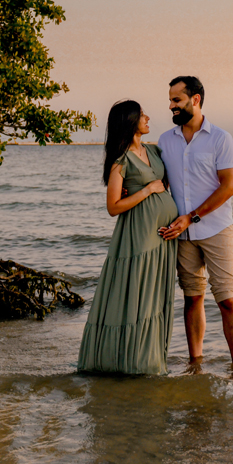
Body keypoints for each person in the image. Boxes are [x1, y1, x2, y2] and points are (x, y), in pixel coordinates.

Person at [78, 100, 179, 375]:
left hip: (163, 239)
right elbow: (113, 207)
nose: (148, 117)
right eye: (142, 114)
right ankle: (133, 361)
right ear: (130, 121)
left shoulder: (154, 150)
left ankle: (152, 356)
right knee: (139, 293)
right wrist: (147, 191)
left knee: (156, 295)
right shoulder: (120, 160)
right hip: (139, 236)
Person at [157, 76, 233, 370]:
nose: (171, 106)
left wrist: (191, 217)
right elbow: (162, 183)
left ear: (195, 99)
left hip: (217, 229)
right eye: (170, 100)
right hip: (181, 235)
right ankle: (195, 365)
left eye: (176, 100)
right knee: (192, 298)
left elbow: (228, 187)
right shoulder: (166, 141)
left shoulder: (221, 138)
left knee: (227, 300)